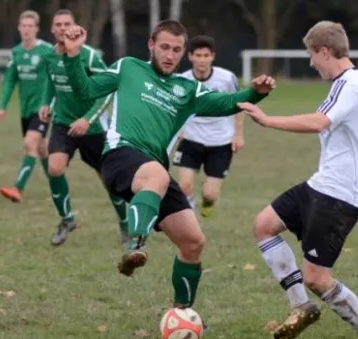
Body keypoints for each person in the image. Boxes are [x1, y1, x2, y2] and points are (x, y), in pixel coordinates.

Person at [60, 20, 274, 310]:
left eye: (176, 49)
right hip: (120, 155)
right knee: (157, 176)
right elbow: (85, 90)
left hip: (153, 170)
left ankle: (182, 314)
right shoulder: (128, 68)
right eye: (164, 47)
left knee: (193, 241)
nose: (169, 55)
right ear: (151, 45)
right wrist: (72, 56)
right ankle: (135, 245)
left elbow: (227, 102)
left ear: (183, 52)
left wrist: (255, 93)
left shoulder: (187, 89)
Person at [238, 21, 358, 339]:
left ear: (325, 51)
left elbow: (318, 122)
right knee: (264, 225)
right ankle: (301, 308)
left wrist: (268, 121)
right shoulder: (350, 82)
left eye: (312, 55)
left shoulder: (351, 83)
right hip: (323, 183)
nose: (311, 62)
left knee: (317, 277)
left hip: (341, 194)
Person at [39, 9, 128, 246]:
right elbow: (51, 81)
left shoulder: (89, 57)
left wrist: (87, 119)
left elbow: (107, 91)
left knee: (109, 180)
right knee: (54, 168)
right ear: (52, 29)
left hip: (93, 128)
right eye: (58, 24)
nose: (62, 28)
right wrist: (46, 103)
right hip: (63, 123)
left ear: (75, 27)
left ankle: (124, 222)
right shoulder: (49, 56)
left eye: (67, 23)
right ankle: (67, 220)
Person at [168, 35, 244, 217]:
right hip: (191, 139)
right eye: (198, 55)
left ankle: (207, 204)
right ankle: (189, 217)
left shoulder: (226, 78)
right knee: (184, 186)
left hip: (221, 142)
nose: (202, 60)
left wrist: (238, 134)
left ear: (212, 57)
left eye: (206, 56)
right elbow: (172, 108)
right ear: (190, 57)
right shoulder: (182, 81)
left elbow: (239, 105)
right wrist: (176, 129)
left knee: (210, 194)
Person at [0, 10, 57, 203]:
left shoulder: (47, 51)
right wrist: (2, 106)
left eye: (30, 26)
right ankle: (57, 185)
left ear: (37, 29)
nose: (27, 30)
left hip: (43, 109)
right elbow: (10, 80)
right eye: (23, 26)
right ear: (19, 28)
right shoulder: (17, 52)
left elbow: (57, 75)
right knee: (41, 149)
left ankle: (18, 189)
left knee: (29, 144)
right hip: (25, 110)